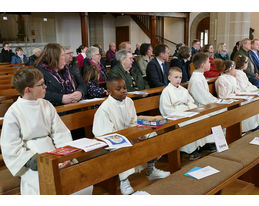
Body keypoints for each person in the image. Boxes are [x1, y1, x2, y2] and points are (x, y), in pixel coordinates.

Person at [0, 67, 93, 195]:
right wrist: (36, 162)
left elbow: (60, 132)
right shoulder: (13, 112)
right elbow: (11, 147)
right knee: (44, 189)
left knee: (81, 183)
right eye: (41, 85)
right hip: (32, 158)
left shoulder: (46, 105)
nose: (45, 87)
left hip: (55, 150)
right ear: (28, 89)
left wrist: (65, 154)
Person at [92, 76, 170, 195]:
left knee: (152, 135)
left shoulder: (129, 101)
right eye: (119, 89)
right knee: (120, 148)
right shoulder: (104, 109)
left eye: (124, 88)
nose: (123, 91)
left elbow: (133, 122)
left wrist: (138, 134)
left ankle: (151, 169)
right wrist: (128, 137)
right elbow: (104, 134)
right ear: (109, 91)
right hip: (114, 141)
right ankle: (124, 181)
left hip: (130, 135)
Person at [159, 67, 208, 160]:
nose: (178, 80)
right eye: (176, 77)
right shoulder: (166, 91)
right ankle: (190, 150)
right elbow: (166, 109)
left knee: (202, 118)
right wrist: (179, 113)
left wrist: (192, 111)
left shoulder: (183, 90)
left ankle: (202, 145)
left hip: (187, 111)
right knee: (188, 123)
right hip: (175, 114)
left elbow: (190, 102)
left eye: (180, 77)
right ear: (169, 78)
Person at [214, 59, 259, 132]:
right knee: (247, 105)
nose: (235, 70)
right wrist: (237, 96)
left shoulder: (232, 78)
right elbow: (223, 96)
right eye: (234, 68)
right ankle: (247, 128)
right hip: (228, 101)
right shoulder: (221, 79)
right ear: (230, 69)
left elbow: (237, 90)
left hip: (235, 97)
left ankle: (256, 124)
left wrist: (242, 95)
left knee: (251, 101)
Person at [187, 53, 217, 151]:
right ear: (203, 65)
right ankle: (209, 143)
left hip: (204, 104)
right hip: (198, 107)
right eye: (208, 62)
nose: (210, 64)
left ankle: (215, 140)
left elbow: (206, 95)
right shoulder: (196, 79)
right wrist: (216, 101)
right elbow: (202, 98)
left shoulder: (200, 76)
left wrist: (216, 100)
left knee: (222, 110)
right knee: (218, 112)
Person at [234, 55, 259, 123]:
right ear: (243, 64)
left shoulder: (241, 72)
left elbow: (248, 84)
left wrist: (255, 89)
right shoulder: (238, 73)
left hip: (249, 90)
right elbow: (242, 87)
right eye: (247, 63)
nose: (247, 64)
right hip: (244, 92)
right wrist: (253, 90)